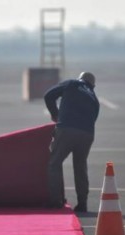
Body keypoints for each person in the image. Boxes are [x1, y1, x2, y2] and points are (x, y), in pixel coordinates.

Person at [44, 72, 100, 212]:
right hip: (87, 133)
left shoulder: (72, 83)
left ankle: (56, 201)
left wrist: (55, 115)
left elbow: (48, 96)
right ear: (93, 85)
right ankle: (82, 203)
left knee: (54, 163)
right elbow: (94, 118)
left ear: (79, 78)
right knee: (80, 166)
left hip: (67, 129)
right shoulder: (94, 97)